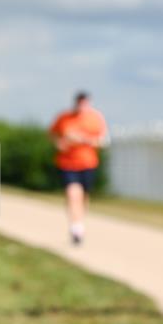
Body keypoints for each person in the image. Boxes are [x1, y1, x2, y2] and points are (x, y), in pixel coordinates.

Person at [49, 91, 108, 245]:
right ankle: (75, 227)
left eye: (84, 103)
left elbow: (102, 141)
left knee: (83, 196)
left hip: (88, 163)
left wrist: (82, 139)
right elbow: (52, 134)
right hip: (67, 163)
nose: (81, 106)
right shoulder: (64, 117)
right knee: (72, 193)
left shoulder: (95, 118)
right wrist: (59, 143)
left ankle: (79, 224)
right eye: (79, 103)